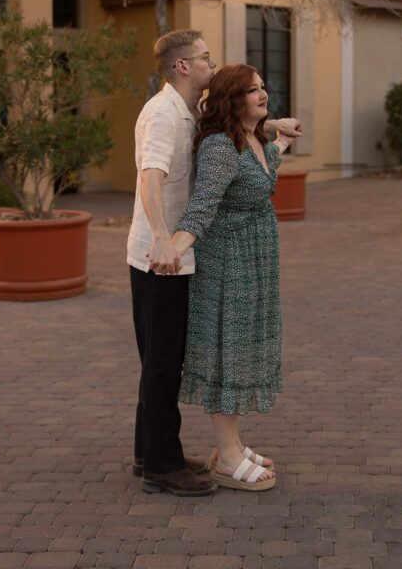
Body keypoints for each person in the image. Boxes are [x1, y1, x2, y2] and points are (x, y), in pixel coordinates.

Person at [127, 31, 301, 497]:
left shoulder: (193, 113)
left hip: (188, 251)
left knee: (163, 361)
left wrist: (271, 124)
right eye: (205, 57)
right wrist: (166, 241)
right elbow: (152, 179)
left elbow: (229, 128)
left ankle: (153, 450)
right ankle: (162, 466)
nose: (211, 61)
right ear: (183, 66)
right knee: (163, 363)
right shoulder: (164, 115)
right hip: (163, 257)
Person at [171, 63, 296, 492]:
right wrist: (174, 246)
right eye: (251, 90)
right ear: (232, 99)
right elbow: (203, 204)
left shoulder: (254, 139)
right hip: (228, 265)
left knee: (243, 351)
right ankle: (225, 458)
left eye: (263, 87)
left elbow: (268, 162)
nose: (263, 95)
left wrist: (281, 135)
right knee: (229, 352)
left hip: (255, 259)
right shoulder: (220, 147)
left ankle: (235, 445)